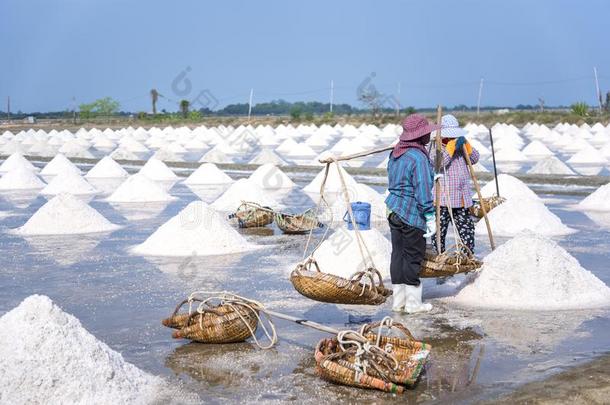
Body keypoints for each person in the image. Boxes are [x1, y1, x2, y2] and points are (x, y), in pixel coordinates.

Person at [385, 114, 439, 314]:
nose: (429, 136)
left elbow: (396, 180)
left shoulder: (396, 153)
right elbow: (423, 190)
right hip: (411, 213)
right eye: (427, 133)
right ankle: (414, 304)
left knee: (398, 255)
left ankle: (398, 302)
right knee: (413, 257)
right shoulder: (418, 158)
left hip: (394, 210)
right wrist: (430, 216)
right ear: (419, 136)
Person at [431, 114, 479, 255]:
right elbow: (438, 164)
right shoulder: (435, 146)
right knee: (439, 232)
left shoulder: (461, 146)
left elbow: (475, 158)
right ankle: (439, 256)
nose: (451, 138)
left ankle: (467, 255)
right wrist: (449, 149)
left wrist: (467, 146)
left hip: (462, 198)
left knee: (467, 229)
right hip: (443, 199)